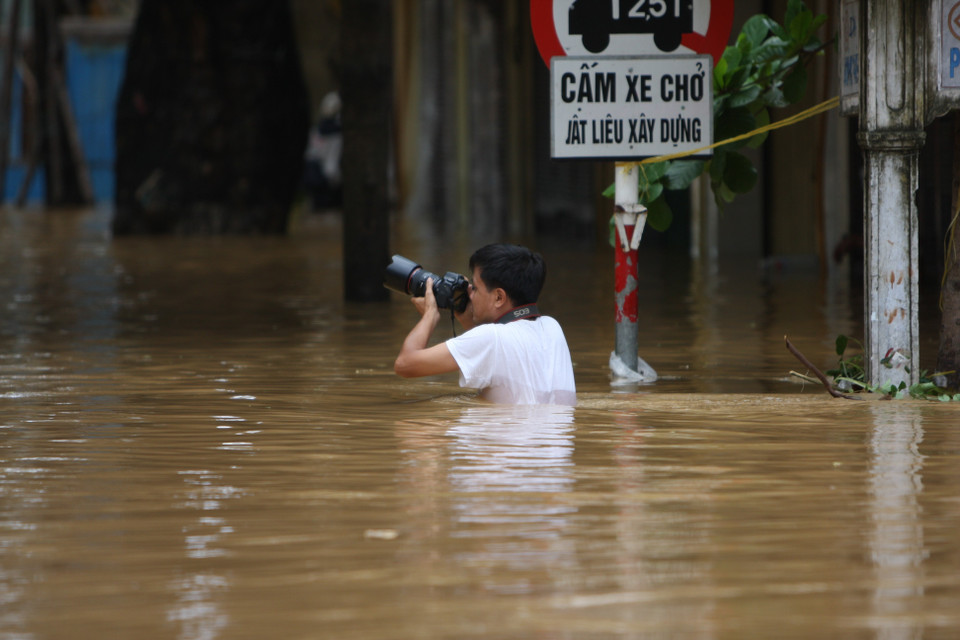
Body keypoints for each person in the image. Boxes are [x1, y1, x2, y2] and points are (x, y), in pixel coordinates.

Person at [394, 243, 576, 406]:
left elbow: (404, 364)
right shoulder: (552, 327)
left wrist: (429, 316)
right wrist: (465, 317)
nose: (470, 294)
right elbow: (501, 354)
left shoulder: (491, 338)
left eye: (475, 287)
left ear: (498, 297)